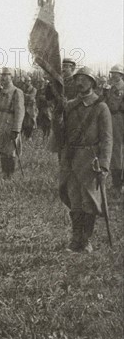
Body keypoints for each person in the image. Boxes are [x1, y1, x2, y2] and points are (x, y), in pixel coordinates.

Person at [59, 67, 113, 253]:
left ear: (92, 82)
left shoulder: (101, 107)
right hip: (72, 159)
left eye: (84, 79)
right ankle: (76, 238)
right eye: (77, 79)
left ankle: (86, 239)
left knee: (89, 201)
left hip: (92, 161)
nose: (80, 82)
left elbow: (107, 138)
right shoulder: (69, 106)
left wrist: (105, 164)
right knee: (74, 200)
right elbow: (62, 134)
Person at [0, 67, 25, 178]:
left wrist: (16, 128)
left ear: (11, 76)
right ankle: (4, 173)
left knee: (10, 150)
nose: (2, 77)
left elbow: (19, 111)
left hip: (10, 122)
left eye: (5, 75)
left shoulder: (17, 92)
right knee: (2, 149)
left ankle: (10, 174)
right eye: (1, 75)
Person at [104, 64, 124, 198]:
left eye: (115, 73)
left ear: (121, 75)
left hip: (119, 118)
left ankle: (119, 185)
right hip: (110, 118)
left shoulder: (121, 87)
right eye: (112, 73)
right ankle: (116, 183)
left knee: (118, 150)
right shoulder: (110, 87)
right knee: (112, 150)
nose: (112, 75)